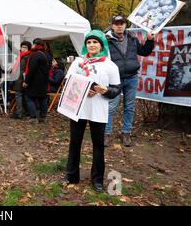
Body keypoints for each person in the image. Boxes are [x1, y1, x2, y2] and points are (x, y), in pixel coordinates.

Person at [61, 30, 121, 192]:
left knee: (98, 145)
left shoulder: (110, 65)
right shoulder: (78, 62)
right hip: (78, 108)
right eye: (89, 42)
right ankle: (71, 175)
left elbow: (116, 90)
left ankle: (97, 180)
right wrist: (82, 89)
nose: (92, 45)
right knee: (75, 142)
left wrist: (105, 90)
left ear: (102, 44)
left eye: (95, 42)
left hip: (98, 110)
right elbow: (67, 82)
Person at [105, 15, 155, 147]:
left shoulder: (132, 38)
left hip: (132, 78)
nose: (119, 26)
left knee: (130, 107)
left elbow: (144, 52)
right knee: (111, 107)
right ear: (112, 25)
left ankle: (126, 133)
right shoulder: (105, 41)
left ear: (125, 25)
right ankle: (106, 133)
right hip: (114, 79)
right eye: (117, 23)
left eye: (122, 23)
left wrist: (149, 40)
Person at [22, 38, 52, 123]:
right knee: (42, 98)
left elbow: (31, 70)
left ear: (35, 44)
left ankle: (33, 117)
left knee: (29, 97)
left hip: (35, 81)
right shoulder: (48, 55)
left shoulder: (35, 55)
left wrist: (26, 81)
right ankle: (43, 117)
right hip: (45, 80)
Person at [10, 41, 32, 119]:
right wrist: (6, 40)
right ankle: (22, 112)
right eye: (22, 47)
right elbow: (13, 48)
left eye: (25, 47)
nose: (23, 49)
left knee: (20, 96)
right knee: (20, 96)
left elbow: (28, 70)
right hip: (19, 78)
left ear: (28, 48)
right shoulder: (21, 55)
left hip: (23, 79)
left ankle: (20, 113)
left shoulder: (29, 56)